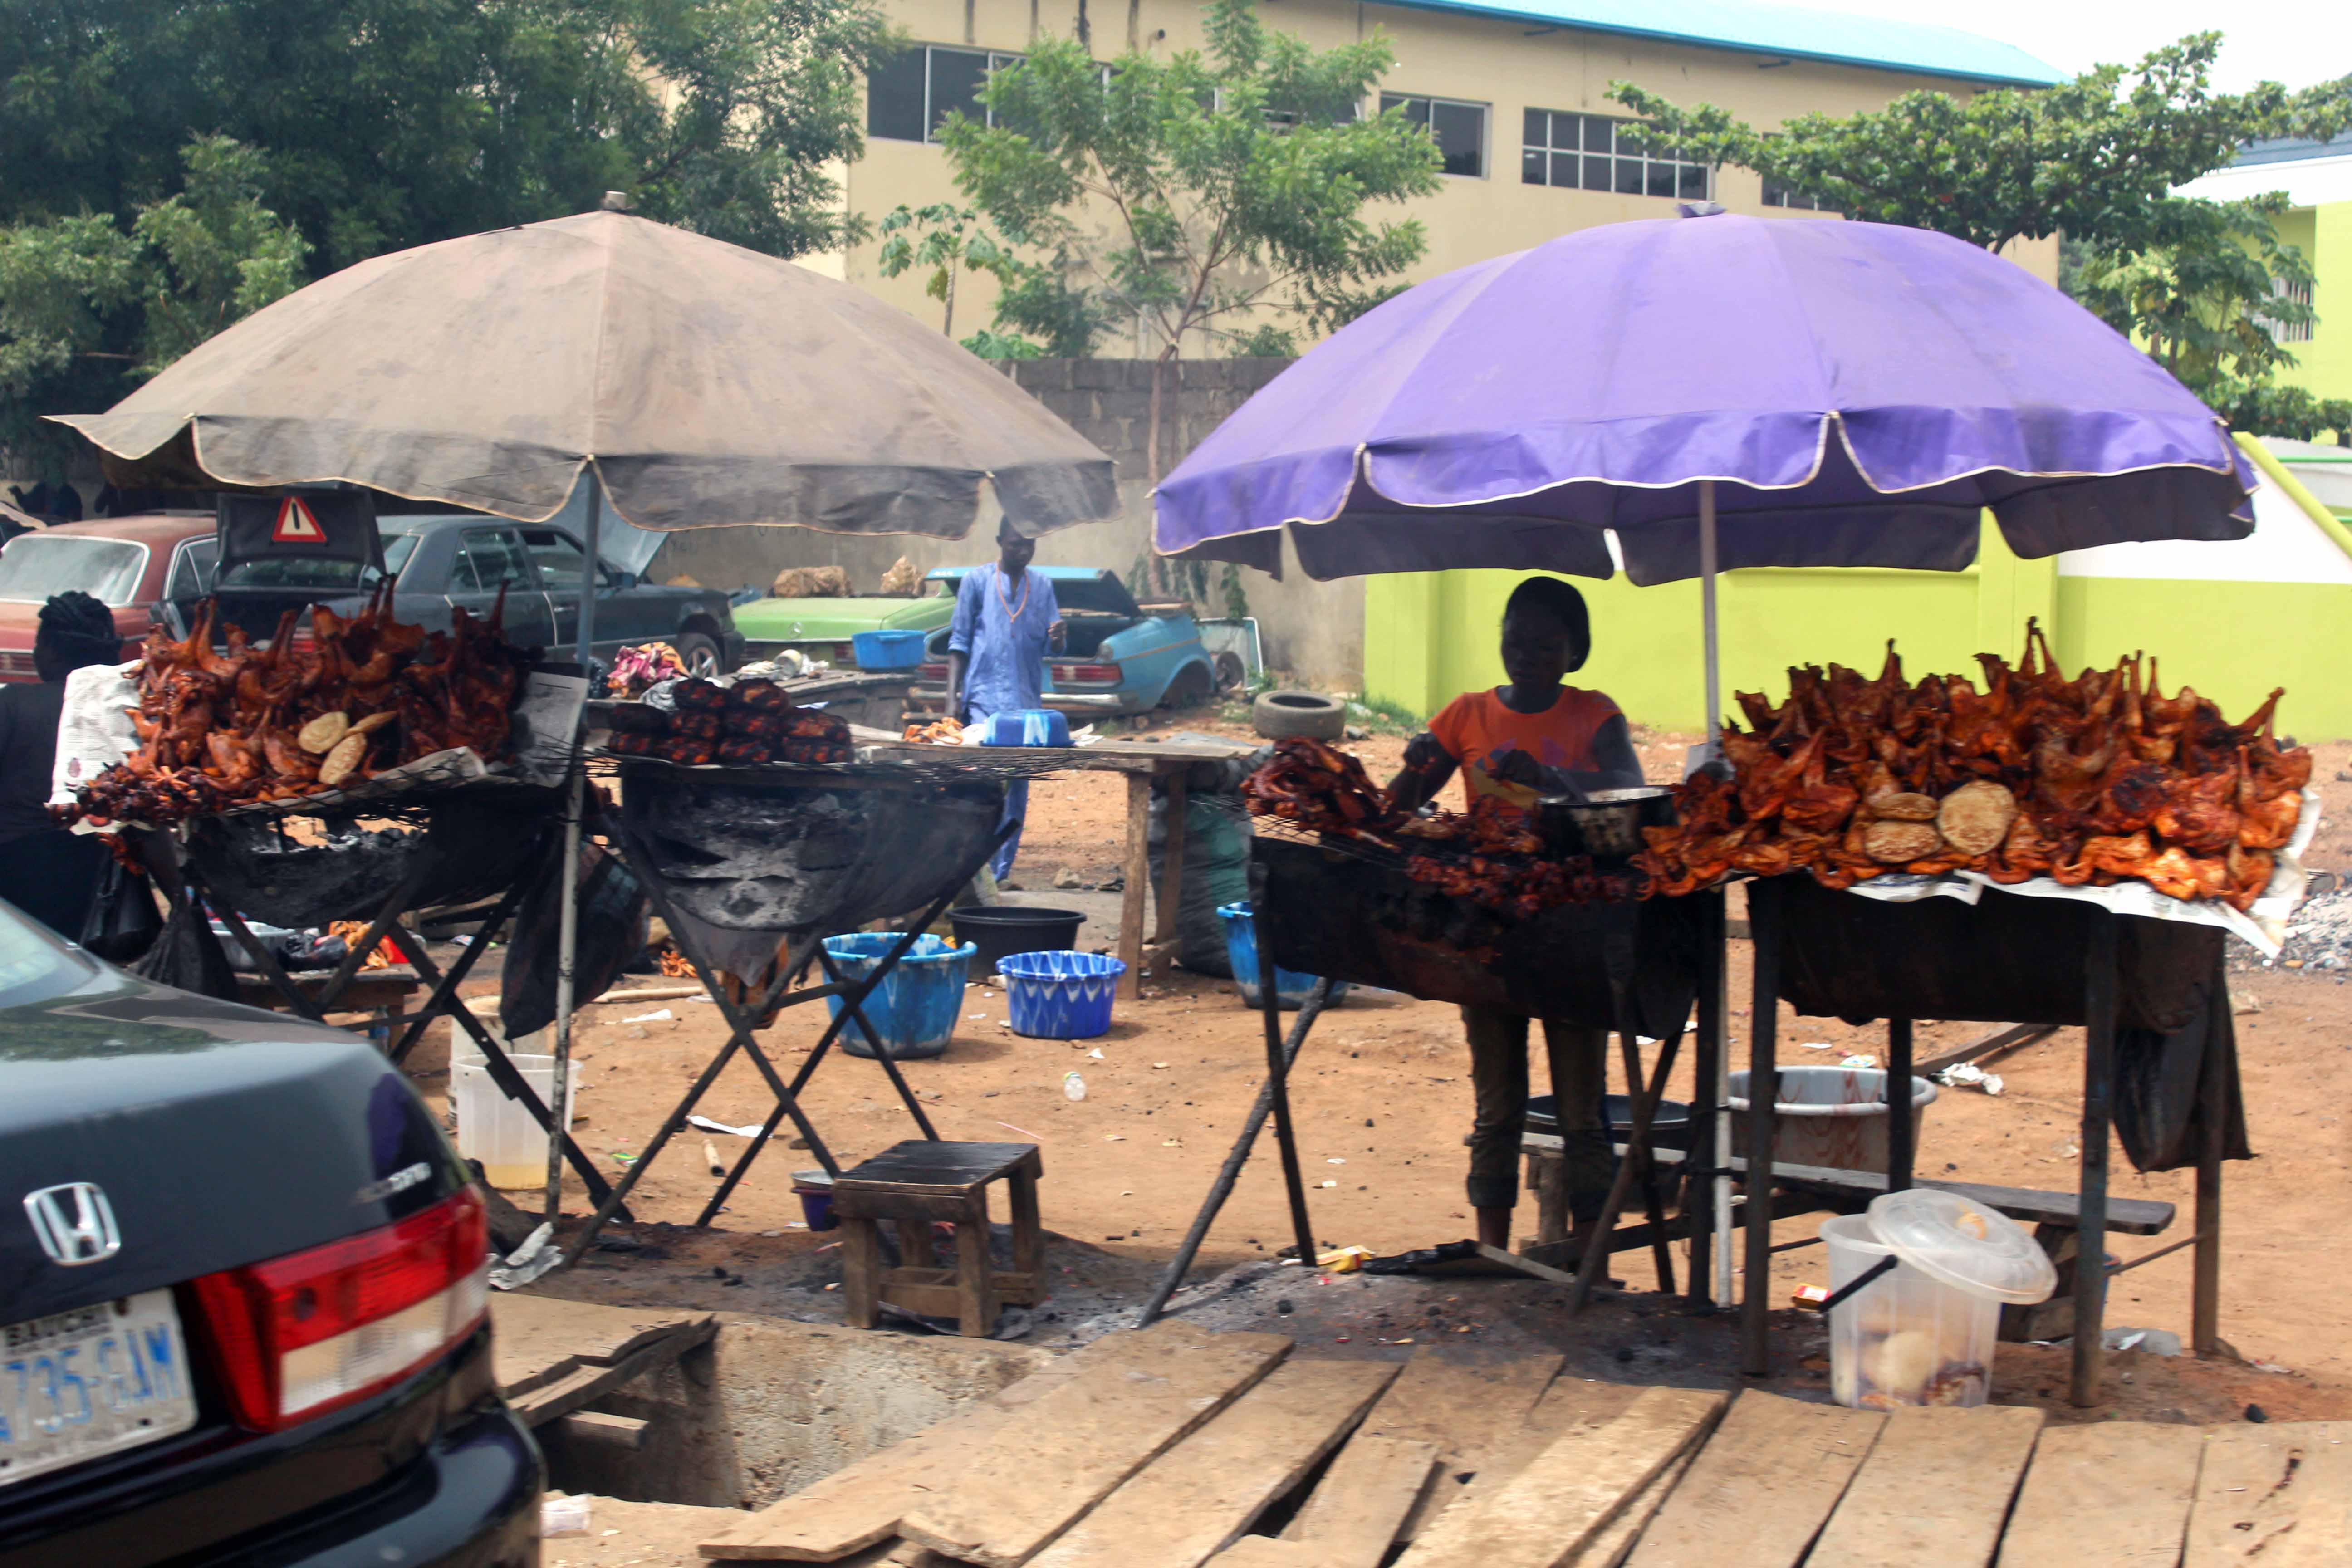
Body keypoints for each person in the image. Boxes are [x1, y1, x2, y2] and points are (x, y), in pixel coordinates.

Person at [1388, 575, 1646, 1252]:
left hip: (1573, 926)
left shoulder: (1595, 716)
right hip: (1488, 930)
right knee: (1496, 1108)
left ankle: (1591, 1260)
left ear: (1574, 651)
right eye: (1516, 641)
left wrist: (1553, 779)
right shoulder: (1466, 715)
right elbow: (1398, 806)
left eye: (1546, 645)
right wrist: (1415, 762)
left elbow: (1635, 794)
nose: (1527, 655)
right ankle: (1493, 1254)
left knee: (1581, 1114)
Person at [945, 519, 1064, 884]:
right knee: (982, 784)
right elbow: (959, 643)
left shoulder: (1042, 586)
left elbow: (1054, 647)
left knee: (1017, 790)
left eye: (1029, 543)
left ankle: (999, 874)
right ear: (1000, 542)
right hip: (982, 699)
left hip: (1026, 707)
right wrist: (951, 699)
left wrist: (1059, 638)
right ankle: (972, 868)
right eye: (1015, 544)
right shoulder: (976, 581)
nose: (1023, 551)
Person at [0, 592, 123, 936]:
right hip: (100, 873)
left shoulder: (16, 703)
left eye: (39, 643)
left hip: (18, 877)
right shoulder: (127, 710)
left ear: (51, 650)